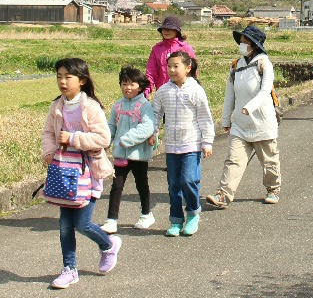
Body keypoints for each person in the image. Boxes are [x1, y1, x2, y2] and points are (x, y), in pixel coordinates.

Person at [42, 58, 120, 289]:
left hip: (89, 174)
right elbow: (48, 131)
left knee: (83, 224)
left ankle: (108, 245)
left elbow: (103, 139)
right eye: (59, 76)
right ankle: (69, 269)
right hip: (64, 173)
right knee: (65, 226)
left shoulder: (91, 107)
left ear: (82, 80)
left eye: (68, 77)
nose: (62, 81)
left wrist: (73, 138)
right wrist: (49, 150)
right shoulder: (57, 106)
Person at [206, 26, 282, 209]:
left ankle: (273, 189)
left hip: (262, 122)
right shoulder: (236, 65)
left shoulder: (263, 62)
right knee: (234, 160)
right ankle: (223, 195)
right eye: (241, 41)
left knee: (269, 159)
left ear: (254, 45)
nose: (242, 45)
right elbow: (229, 95)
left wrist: (250, 107)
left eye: (245, 42)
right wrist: (226, 120)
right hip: (240, 123)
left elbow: (265, 91)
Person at [153, 52, 214, 237]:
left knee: (188, 180)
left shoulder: (195, 90)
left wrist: (207, 142)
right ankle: (176, 220)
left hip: (192, 144)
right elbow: (155, 114)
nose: (171, 70)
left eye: (176, 66)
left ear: (188, 68)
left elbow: (205, 117)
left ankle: (194, 213)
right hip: (172, 146)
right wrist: (153, 132)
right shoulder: (163, 91)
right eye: (169, 66)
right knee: (173, 185)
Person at [101, 67, 156, 234]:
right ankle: (111, 220)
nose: (128, 87)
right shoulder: (117, 105)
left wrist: (126, 139)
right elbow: (111, 125)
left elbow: (148, 127)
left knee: (141, 184)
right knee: (116, 186)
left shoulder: (144, 105)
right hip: (120, 154)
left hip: (139, 155)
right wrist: (105, 140)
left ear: (140, 86)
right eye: (124, 83)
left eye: (132, 84)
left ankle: (146, 214)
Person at [145, 16, 197, 97]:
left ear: (177, 31)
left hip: (183, 92)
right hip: (163, 92)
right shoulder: (157, 49)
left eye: (169, 29)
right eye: (164, 29)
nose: (166, 31)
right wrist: (147, 90)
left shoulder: (186, 48)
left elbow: (193, 70)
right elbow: (151, 72)